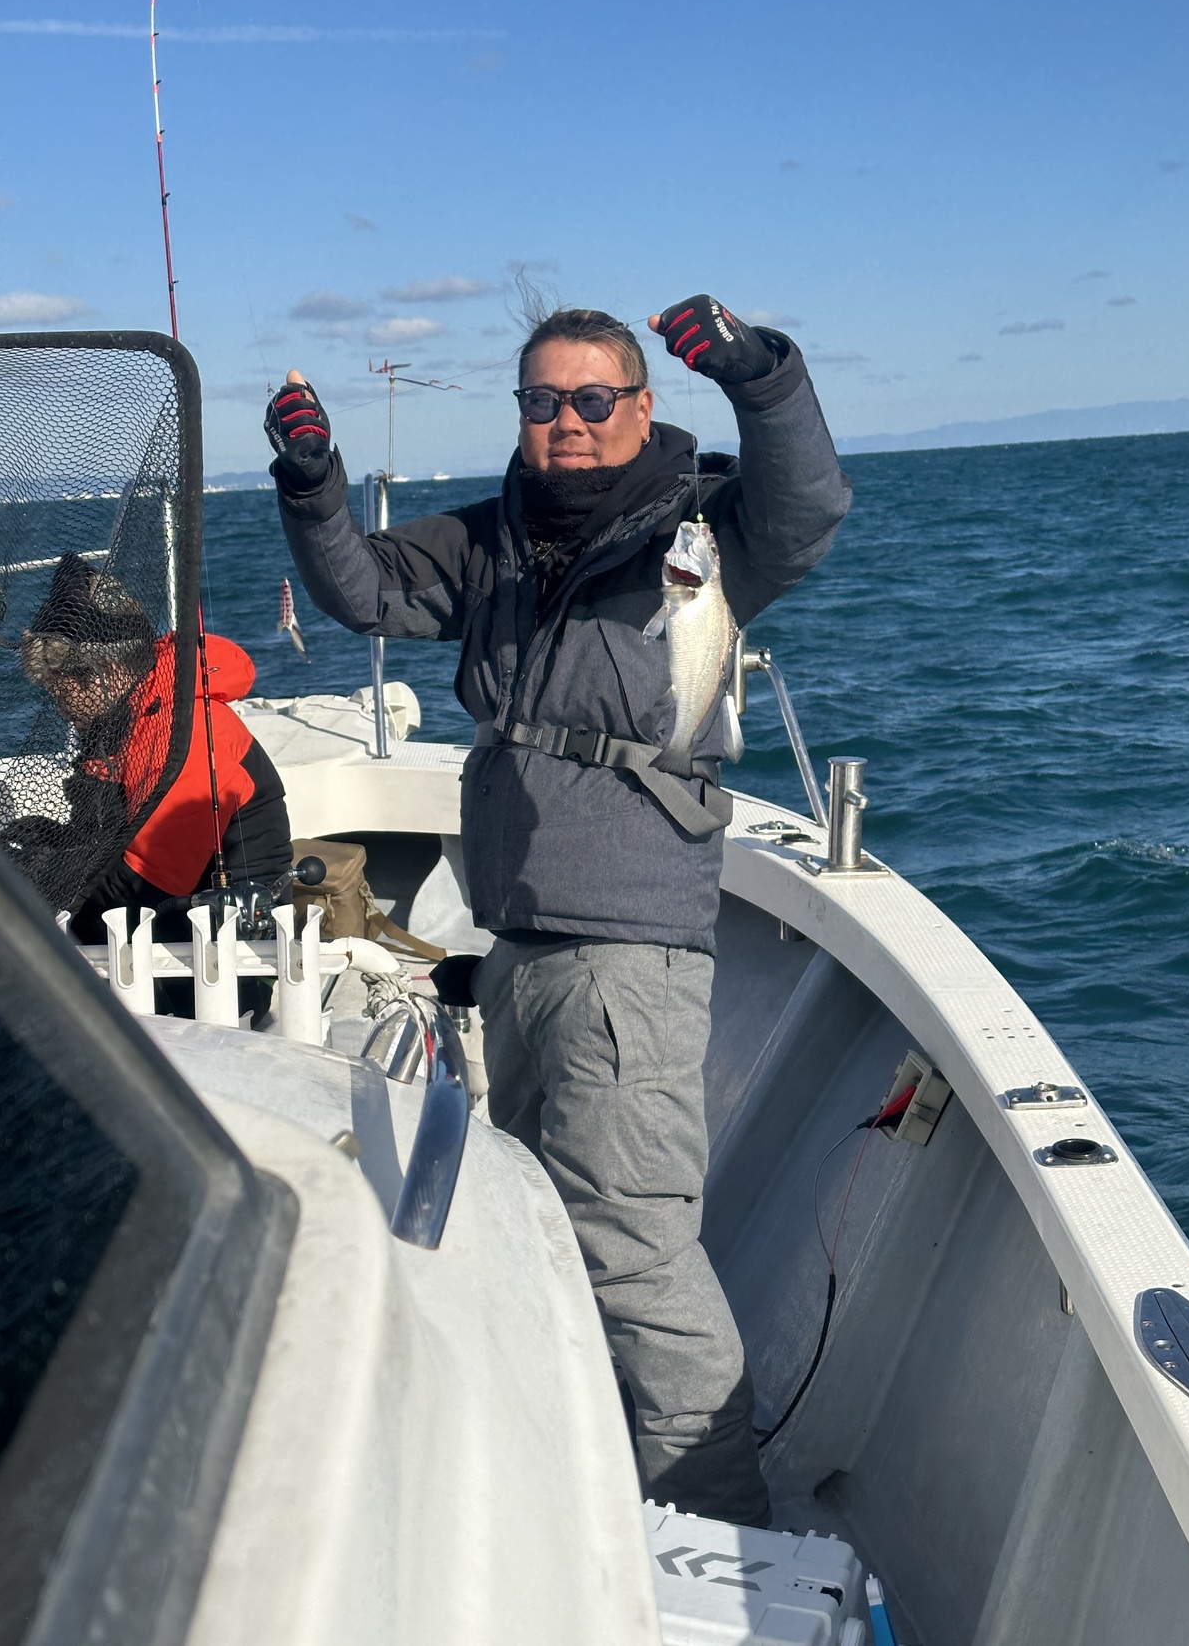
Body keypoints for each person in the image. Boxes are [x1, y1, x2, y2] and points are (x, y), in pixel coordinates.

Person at [265, 295, 850, 1526]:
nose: (568, 422)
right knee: (542, 1230)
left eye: (593, 399)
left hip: (628, 949)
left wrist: (759, 376)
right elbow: (363, 593)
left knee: (632, 1257)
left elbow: (807, 507)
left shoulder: (703, 531)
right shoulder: (493, 539)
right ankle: (588, 1492)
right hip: (519, 943)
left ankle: (720, 1534)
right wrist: (313, 486)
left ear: (641, 406)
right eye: (543, 401)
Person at [9, 554, 291, 1016]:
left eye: (59, 689)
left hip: (224, 964)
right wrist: (52, 841)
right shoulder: (132, 718)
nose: (58, 707)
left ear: (103, 674)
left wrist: (43, 873)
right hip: (162, 926)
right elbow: (109, 836)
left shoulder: (188, 736)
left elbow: (143, 886)